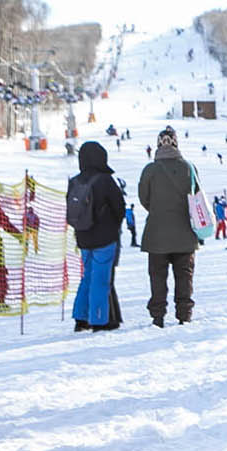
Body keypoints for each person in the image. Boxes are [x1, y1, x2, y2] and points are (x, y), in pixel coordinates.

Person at [138, 125, 201, 326]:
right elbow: (197, 196)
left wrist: (158, 210)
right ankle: (184, 314)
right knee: (184, 276)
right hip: (185, 233)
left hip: (156, 234)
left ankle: (158, 315)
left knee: (157, 277)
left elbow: (144, 199)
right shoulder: (189, 168)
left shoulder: (149, 170)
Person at [67, 141, 126, 332]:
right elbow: (119, 207)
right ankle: (99, 319)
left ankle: (80, 317)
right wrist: (113, 225)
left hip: (83, 237)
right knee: (101, 279)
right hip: (105, 237)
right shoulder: (105, 180)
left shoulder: (75, 181)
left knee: (87, 276)